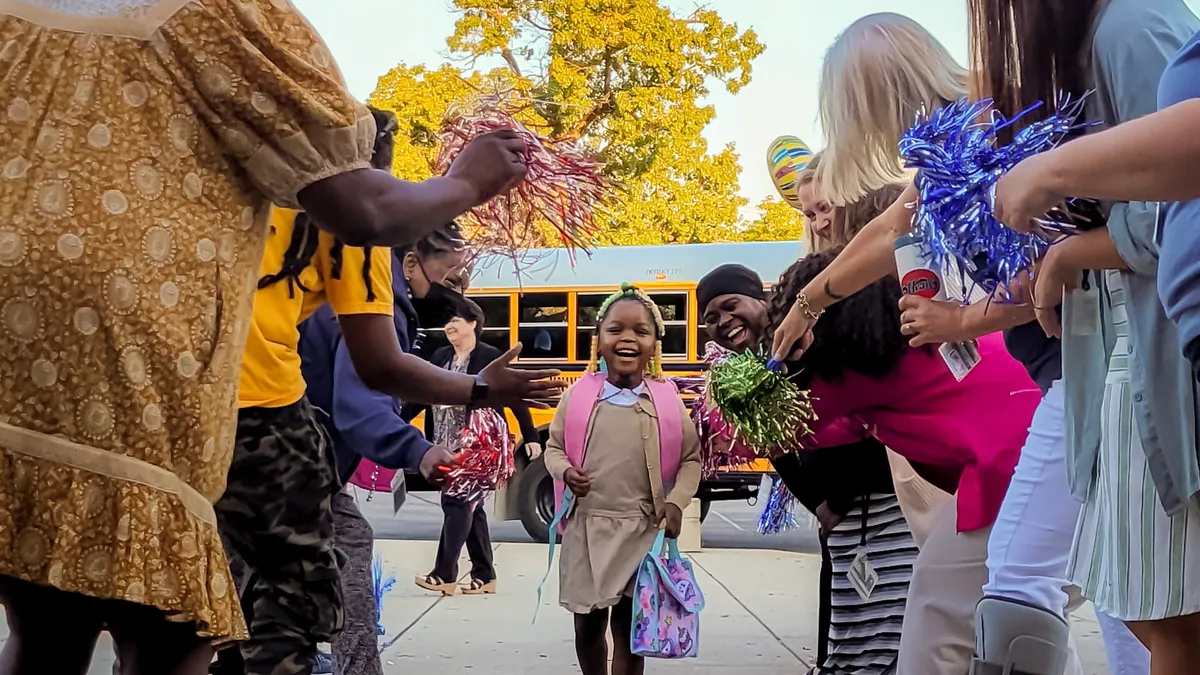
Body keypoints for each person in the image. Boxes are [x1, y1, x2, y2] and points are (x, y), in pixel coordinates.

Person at [0, 3, 529, 673]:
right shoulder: (326, 186)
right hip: (208, 410)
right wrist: (467, 185)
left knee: (50, 625)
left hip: (41, 388)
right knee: (240, 613)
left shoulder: (36, 44)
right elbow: (378, 352)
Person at [772, 10, 1163, 674]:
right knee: (1123, 593)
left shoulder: (995, 126)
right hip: (1085, 375)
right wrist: (814, 297)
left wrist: (962, 322)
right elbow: (892, 229)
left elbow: (1057, 260)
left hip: (1096, 371)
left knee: (1026, 580)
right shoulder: (964, 131)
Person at [986, 7, 1200, 671]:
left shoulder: (1132, 26)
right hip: (1126, 360)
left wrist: (1069, 241)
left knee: (1167, 621)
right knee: (1147, 611)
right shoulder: (1105, 35)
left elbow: (1174, 202)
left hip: (1156, 362)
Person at [767, 246, 1042, 675]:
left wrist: (728, 395)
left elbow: (776, 428)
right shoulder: (897, 359)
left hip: (1014, 467)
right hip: (1043, 449)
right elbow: (848, 426)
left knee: (937, 608)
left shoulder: (852, 379)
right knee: (1030, 613)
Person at [697, 262, 918, 675]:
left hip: (887, 501)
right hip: (845, 516)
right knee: (850, 626)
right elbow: (777, 450)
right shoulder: (748, 374)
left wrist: (836, 499)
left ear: (760, 300)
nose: (723, 322)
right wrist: (820, 504)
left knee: (890, 628)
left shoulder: (808, 338)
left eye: (730, 306)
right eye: (710, 318)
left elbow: (863, 417)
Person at [543, 284, 702, 675]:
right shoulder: (579, 397)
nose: (627, 338)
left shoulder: (665, 401)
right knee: (587, 628)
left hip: (641, 531)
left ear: (654, 347)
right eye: (615, 330)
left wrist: (677, 501)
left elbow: (691, 458)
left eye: (640, 331)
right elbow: (553, 448)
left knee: (632, 631)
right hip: (586, 530)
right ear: (598, 343)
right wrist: (565, 471)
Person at [414, 300, 541, 596]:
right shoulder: (440, 356)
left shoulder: (489, 358)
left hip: (480, 444)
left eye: (456, 320)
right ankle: (485, 575)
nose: (450, 326)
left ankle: (443, 574)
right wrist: (393, 418)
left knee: (457, 503)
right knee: (473, 507)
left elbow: (514, 396)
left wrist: (531, 435)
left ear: (473, 323)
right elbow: (422, 391)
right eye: (448, 322)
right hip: (446, 442)